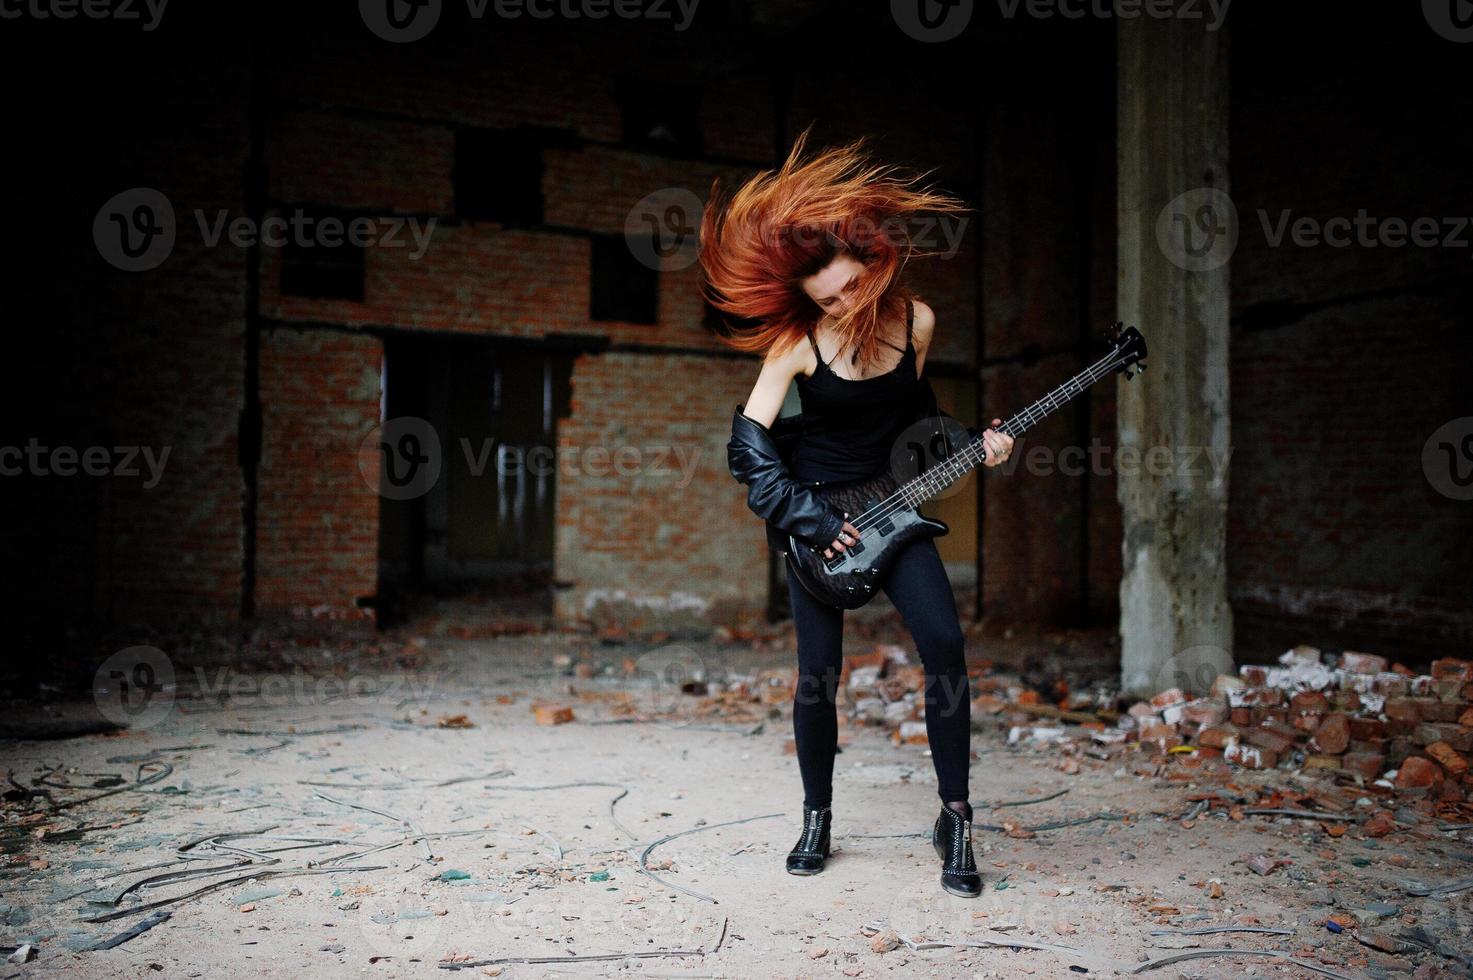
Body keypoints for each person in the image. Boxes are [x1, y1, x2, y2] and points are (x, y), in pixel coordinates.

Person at [700, 128, 1015, 898]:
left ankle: (955, 816)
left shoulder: (918, 323)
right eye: (826, 298)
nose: (842, 304)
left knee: (943, 644)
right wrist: (807, 520)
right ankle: (816, 815)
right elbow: (747, 449)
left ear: (873, 266)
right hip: (818, 514)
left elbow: (915, 426)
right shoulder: (797, 347)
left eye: (849, 288)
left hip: (888, 505)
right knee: (818, 675)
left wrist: (974, 447)